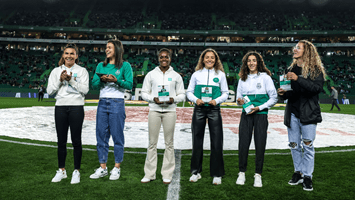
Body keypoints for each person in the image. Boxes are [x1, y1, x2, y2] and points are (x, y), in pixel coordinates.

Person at [277, 40, 326, 191]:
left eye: (298, 47)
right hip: (292, 111)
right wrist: (283, 93)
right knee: (294, 145)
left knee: (308, 145)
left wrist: (298, 78)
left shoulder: (315, 70)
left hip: (309, 113)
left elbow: (316, 88)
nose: (295, 49)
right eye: (295, 47)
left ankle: (308, 176)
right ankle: (298, 172)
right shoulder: (290, 68)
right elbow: (290, 93)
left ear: (307, 51)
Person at [140, 48, 185, 184]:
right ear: (158, 58)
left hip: (170, 111)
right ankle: (149, 174)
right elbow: (143, 93)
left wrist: (174, 100)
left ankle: (167, 173)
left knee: (169, 143)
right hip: (154, 110)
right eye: (161, 57)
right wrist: (153, 99)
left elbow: (182, 94)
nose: (163, 59)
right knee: (152, 143)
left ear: (170, 58)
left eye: (166, 57)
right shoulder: (151, 75)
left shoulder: (176, 76)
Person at [90, 39, 133, 180]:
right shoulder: (100, 66)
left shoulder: (125, 66)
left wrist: (116, 81)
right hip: (102, 102)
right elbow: (94, 85)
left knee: (117, 136)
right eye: (106, 47)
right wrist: (102, 80)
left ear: (117, 50)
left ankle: (116, 167)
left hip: (117, 102)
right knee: (101, 136)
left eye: (109, 47)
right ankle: (103, 168)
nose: (106, 50)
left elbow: (130, 84)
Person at [47, 43, 89, 184]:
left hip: (76, 106)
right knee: (61, 141)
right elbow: (49, 91)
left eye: (72, 53)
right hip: (60, 107)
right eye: (67, 53)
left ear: (76, 56)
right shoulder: (55, 71)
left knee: (76, 141)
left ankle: (76, 171)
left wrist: (71, 80)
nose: (69, 56)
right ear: (63, 56)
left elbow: (85, 90)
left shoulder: (82, 71)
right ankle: (62, 170)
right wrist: (60, 80)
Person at [186, 48, 229, 185]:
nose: (210, 60)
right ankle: (195, 172)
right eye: (207, 57)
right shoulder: (196, 74)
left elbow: (225, 93)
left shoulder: (221, 75)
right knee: (196, 141)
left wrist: (216, 101)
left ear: (216, 60)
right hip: (199, 109)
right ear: (203, 59)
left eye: (212, 57)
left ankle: (217, 174)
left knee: (216, 141)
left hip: (214, 109)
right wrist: (195, 100)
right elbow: (189, 91)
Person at [235, 51, 278, 187]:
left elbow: (274, 97)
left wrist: (259, 107)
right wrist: (240, 101)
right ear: (246, 63)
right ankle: (242, 172)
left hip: (261, 115)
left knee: (260, 144)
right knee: (243, 144)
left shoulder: (266, 78)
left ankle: (258, 174)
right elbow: (238, 99)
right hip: (246, 115)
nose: (251, 63)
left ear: (258, 62)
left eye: (254, 60)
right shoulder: (242, 78)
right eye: (249, 61)